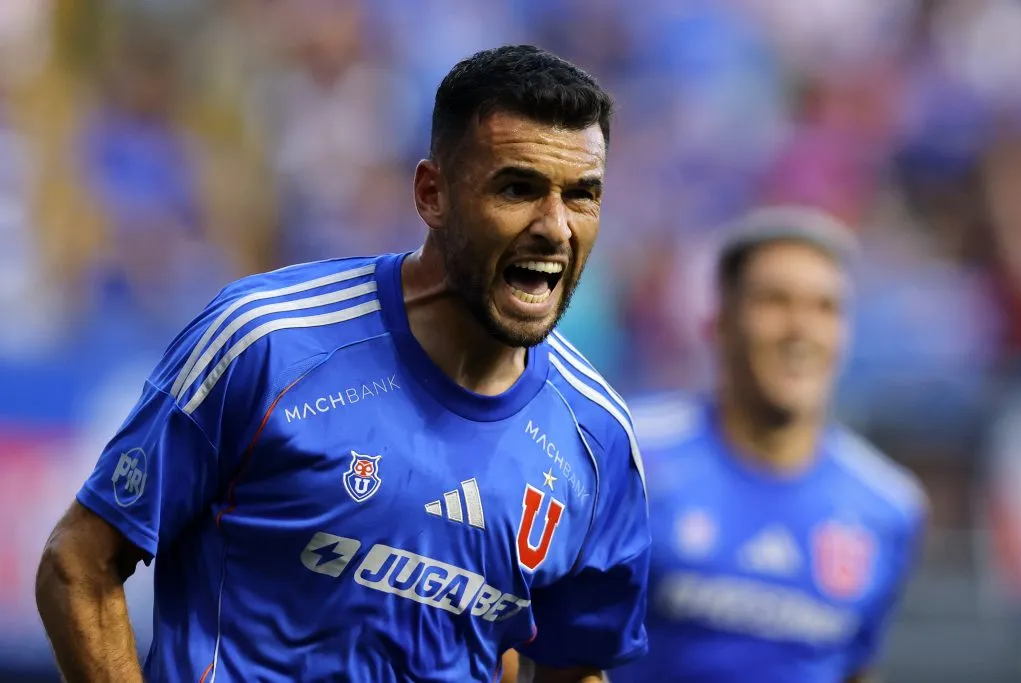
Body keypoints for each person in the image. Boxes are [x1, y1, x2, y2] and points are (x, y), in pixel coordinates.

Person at [35, 45, 650, 683]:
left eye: (582, 196)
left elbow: (575, 665)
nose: (555, 227)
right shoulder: (268, 345)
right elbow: (78, 563)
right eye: (518, 188)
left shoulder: (597, 438)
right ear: (432, 194)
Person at [613, 207, 927, 683]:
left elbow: (857, 668)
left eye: (825, 308)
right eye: (775, 302)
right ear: (718, 326)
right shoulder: (630, 457)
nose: (800, 330)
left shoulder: (889, 506)